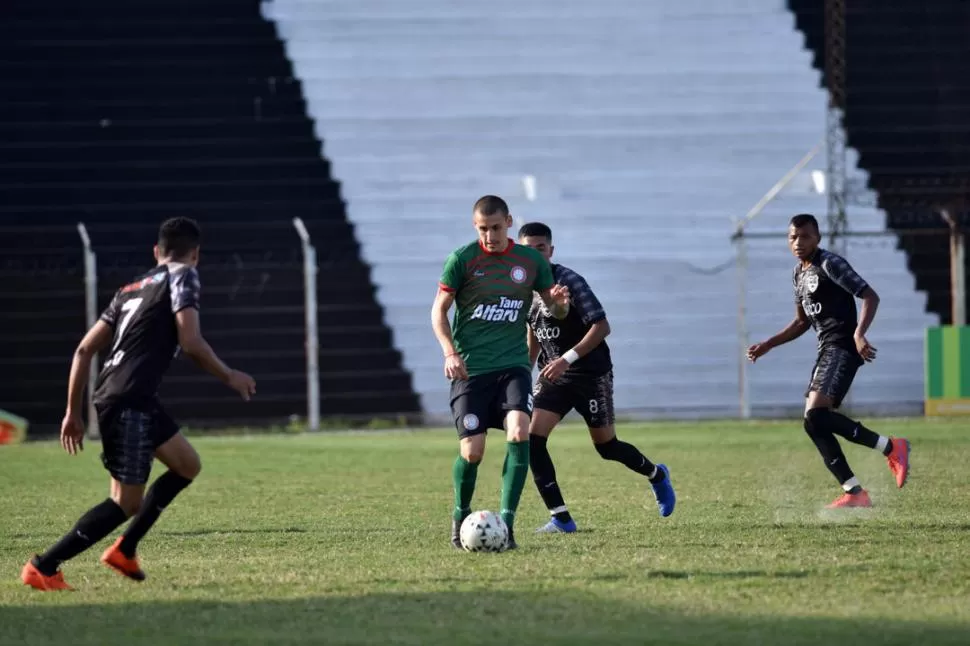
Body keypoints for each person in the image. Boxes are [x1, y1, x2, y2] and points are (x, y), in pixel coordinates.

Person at [21, 217, 256, 591]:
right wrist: (230, 376)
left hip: (130, 397)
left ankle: (125, 550)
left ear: (156, 252)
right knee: (126, 503)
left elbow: (83, 350)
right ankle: (44, 566)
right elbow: (191, 341)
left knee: (187, 465)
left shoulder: (129, 288)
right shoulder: (184, 276)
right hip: (128, 400)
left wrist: (72, 412)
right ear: (195, 254)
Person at [431, 196, 570, 550]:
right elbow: (438, 311)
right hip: (471, 370)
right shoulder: (462, 260)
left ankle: (506, 527)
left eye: (496, 227)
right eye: (482, 229)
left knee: (520, 432)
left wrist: (558, 302)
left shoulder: (530, 261)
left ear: (508, 222)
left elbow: (556, 311)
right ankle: (460, 514)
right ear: (475, 226)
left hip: (513, 366)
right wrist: (449, 352)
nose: (490, 235)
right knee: (472, 452)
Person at [517, 222, 675, 533]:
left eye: (541, 248)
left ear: (551, 250)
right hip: (553, 376)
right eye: (528, 250)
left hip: (590, 372)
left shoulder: (569, 281)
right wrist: (523, 372)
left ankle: (657, 475)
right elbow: (533, 332)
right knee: (531, 441)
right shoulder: (524, 288)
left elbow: (601, 326)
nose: (536, 254)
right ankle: (561, 518)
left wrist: (567, 358)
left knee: (606, 447)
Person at [747, 213, 910, 508]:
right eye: (793, 237)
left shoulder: (829, 264)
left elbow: (870, 296)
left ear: (817, 238)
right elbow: (801, 322)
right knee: (813, 422)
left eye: (806, 236)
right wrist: (769, 344)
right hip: (826, 349)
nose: (798, 242)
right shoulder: (798, 274)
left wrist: (859, 334)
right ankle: (854, 491)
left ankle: (892, 448)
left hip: (843, 346)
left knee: (816, 416)